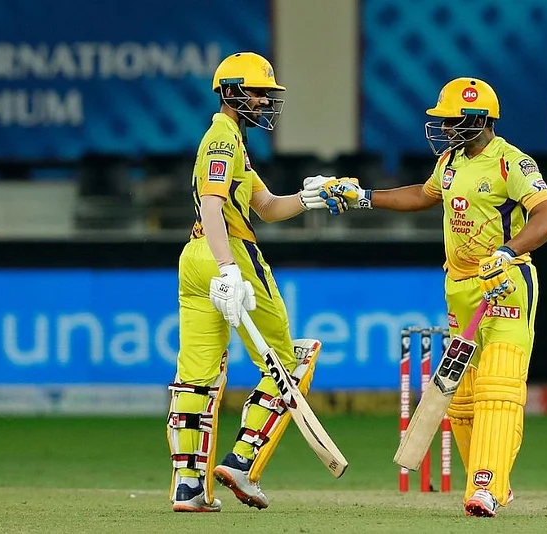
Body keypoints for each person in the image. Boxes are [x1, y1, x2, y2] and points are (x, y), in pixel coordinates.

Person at [303, 77, 547, 518]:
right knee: (462, 399)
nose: (443, 128)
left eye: (451, 120)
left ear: (478, 119)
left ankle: (485, 487)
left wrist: (506, 252)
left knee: (498, 387)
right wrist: (363, 197)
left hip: (505, 283)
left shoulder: (512, 163)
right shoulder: (450, 160)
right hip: (460, 288)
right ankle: (492, 482)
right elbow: (422, 196)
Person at [167, 51, 334, 513]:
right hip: (229, 252)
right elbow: (213, 204)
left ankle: (189, 487)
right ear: (230, 92)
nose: (264, 100)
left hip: (194, 258)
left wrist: (310, 197)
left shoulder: (231, 141)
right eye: (257, 92)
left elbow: (267, 206)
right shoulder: (222, 138)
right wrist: (228, 268)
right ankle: (242, 461)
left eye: (266, 93)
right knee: (287, 362)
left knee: (196, 376)